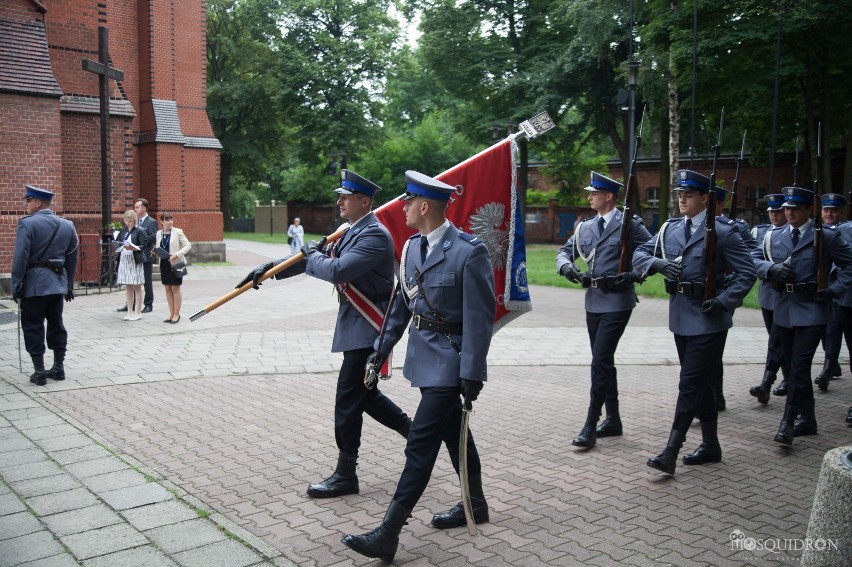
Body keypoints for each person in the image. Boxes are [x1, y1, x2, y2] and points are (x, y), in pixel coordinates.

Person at [342, 171, 496, 563]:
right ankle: (475, 504)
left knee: (421, 444)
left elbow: (480, 319)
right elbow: (401, 306)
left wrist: (472, 372)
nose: (403, 207)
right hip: (423, 359)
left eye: (407, 201)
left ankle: (389, 532)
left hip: (452, 361)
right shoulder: (411, 247)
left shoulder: (468, 250)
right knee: (454, 433)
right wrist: (380, 349)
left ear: (424, 206)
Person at [236, 169, 411, 498]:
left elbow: (336, 269)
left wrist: (310, 253)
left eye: (346, 197)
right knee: (365, 396)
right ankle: (416, 436)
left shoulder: (373, 235)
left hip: (369, 328)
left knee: (348, 400)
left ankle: (346, 474)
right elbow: (315, 258)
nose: (339, 201)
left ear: (365, 202)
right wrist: (270, 269)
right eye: (339, 196)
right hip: (358, 326)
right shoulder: (351, 231)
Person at [633, 169, 756, 476]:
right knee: (698, 384)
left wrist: (725, 301)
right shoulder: (670, 229)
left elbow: (747, 273)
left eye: (688, 195)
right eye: (679, 194)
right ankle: (711, 446)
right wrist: (656, 263)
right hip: (680, 315)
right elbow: (638, 253)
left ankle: (671, 450)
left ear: (705, 198)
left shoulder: (724, 232)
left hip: (709, 318)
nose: (682, 199)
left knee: (689, 384)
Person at [555, 172, 651, 448]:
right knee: (603, 360)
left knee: (599, 361)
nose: (589, 197)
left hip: (618, 300)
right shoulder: (585, 227)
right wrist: (566, 267)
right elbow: (564, 252)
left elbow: (652, 249)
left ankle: (590, 424)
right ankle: (614, 420)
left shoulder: (629, 224)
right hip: (593, 300)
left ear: (609, 196)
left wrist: (635, 274)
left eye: (594, 193)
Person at [751, 186, 852, 445]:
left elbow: (849, 264)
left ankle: (787, 423)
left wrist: (835, 289)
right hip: (783, 307)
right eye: (787, 208)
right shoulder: (774, 236)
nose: (790, 212)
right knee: (793, 367)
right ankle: (808, 419)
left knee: (799, 367)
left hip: (813, 308)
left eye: (796, 208)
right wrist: (771, 269)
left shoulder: (825, 236)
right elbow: (753, 259)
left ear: (810, 209)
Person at [11, 185, 79, 386]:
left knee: (33, 325)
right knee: (56, 324)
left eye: (28, 201)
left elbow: (20, 257)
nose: (26, 204)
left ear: (38, 203)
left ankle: (39, 371)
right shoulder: (67, 225)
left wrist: (16, 284)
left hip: (34, 285)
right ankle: (58, 367)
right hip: (57, 284)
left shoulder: (27, 224)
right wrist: (68, 285)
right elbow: (72, 256)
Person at [711, 186, 758, 411]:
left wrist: (733, 279)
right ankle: (712, 395)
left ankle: (716, 394)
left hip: (725, 293)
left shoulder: (735, 228)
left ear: (721, 204)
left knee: (715, 345)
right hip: (702, 291)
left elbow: (753, 255)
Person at [747, 194, 790, 404]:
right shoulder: (761, 232)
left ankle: (766, 382)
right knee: (778, 339)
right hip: (767, 294)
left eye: (778, 211)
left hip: (788, 296)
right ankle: (789, 378)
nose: (774, 215)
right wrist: (769, 269)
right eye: (771, 212)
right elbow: (752, 260)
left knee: (776, 340)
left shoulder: (793, 234)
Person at [813, 193, 847, 390]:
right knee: (826, 330)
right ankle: (832, 365)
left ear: (840, 212)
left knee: (833, 329)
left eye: (833, 211)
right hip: (821, 288)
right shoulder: (816, 231)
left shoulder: (846, 231)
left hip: (841, 289)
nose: (830, 214)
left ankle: (827, 369)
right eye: (826, 210)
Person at [117, 198, 156, 313]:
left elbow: (153, 236)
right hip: (131, 256)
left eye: (137, 207)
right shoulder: (132, 222)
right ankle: (130, 304)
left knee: (146, 281)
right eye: (135, 207)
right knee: (131, 280)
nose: (135, 209)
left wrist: (139, 240)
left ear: (144, 208)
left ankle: (148, 304)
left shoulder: (151, 222)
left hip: (145, 255)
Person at [154, 213, 192, 324]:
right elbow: (159, 248)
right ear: (161, 221)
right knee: (167, 289)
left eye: (171, 219)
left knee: (175, 288)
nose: (170, 222)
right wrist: (155, 252)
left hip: (176, 263)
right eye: (167, 220)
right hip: (164, 263)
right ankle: (171, 313)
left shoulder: (178, 232)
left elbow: (188, 245)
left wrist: (177, 254)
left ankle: (176, 314)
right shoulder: (158, 234)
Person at [115, 210, 148, 321]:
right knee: (128, 286)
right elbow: (118, 242)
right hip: (125, 260)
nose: (128, 223)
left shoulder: (140, 231)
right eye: (126, 221)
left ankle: (138, 312)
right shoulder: (123, 231)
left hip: (135, 260)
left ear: (135, 220)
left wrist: (133, 247)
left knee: (137, 286)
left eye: (130, 221)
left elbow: (143, 245)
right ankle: (129, 311)